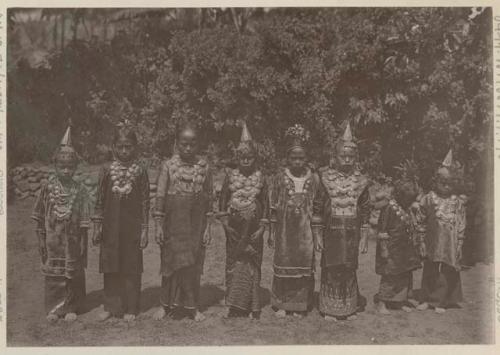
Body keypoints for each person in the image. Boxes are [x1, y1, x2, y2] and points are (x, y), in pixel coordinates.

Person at [153, 124, 213, 322]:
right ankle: (165, 304)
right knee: (170, 263)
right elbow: (160, 195)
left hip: (196, 223)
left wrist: (208, 228)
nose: (188, 148)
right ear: (177, 144)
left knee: (192, 263)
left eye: (192, 144)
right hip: (173, 221)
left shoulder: (204, 166)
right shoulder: (168, 166)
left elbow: (209, 198)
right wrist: (158, 225)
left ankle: (192, 307)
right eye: (184, 144)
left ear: (198, 144)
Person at [92, 125, 150, 322]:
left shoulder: (140, 170)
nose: (124, 151)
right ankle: (110, 306)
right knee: (110, 265)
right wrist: (97, 225)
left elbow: (145, 201)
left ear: (135, 147)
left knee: (131, 266)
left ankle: (131, 307)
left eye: (129, 147)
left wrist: (144, 229)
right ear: (113, 147)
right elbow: (99, 199)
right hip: (110, 228)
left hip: (132, 229)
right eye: (120, 147)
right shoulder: (106, 170)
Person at [32, 126, 90, 323]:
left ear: (75, 167)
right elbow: (39, 216)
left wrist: (83, 241)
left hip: (73, 240)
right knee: (54, 274)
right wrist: (41, 239)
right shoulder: (47, 188)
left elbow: (84, 219)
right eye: (62, 166)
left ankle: (73, 306)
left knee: (72, 274)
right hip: (52, 241)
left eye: (70, 166)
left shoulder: (80, 190)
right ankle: (54, 308)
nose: (66, 170)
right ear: (55, 165)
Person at [268, 124, 325, 318]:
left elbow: (318, 206)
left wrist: (317, 235)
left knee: (303, 266)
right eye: (294, 158)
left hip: (305, 232)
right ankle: (282, 304)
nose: (298, 161)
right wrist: (272, 232)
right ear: (287, 158)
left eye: (301, 158)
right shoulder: (279, 177)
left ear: (306, 158)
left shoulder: (315, 179)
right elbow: (273, 206)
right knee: (285, 264)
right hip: (285, 232)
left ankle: (300, 305)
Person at [318, 122, 370, 321]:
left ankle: (348, 308)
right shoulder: (324, 178)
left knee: (348, 266)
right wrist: (317, 235)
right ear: (335, 157)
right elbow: (317, 208)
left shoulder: (362, 181)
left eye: (351, 157)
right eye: (343, 156)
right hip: (331, 232)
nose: (347, 160)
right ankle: (329, 308)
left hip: (351, 234)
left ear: (356, 158)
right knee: (331, 267)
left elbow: (365, 210)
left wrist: (364, 237)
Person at [218, 122, 268, 320]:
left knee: (252, 264)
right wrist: (225, 226)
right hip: (234, 231)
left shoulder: (261, 178)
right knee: (235, 263)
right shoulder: (230, 177)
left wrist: (262, 229)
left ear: (255, 158)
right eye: (242, 157)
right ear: (237, 158)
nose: (246, 161)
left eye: (250, 157)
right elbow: (222, 204)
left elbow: (266, 203)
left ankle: (252, 306)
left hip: (254, 232)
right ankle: (234, 305)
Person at [415, 150, 466, 314]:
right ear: (435, 181)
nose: (446, 186)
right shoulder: (429, 199)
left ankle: (440, 301)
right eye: (442, 182)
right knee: (430, 268)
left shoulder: (457, 202)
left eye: (449, 183)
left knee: (447, 270)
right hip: (432, 241)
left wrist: (459, 243)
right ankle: (425, 299)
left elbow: (461, 223)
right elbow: (421, 219)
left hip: (450, 244)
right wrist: (421, 240)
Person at [374, 161, 423, 315]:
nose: (410, 202)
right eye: (408, 199)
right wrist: (383, 249)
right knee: (390, 275)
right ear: (400, 195)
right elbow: (382, 230)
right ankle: (382, 303)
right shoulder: (389, 207)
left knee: (404, 274)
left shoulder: (406, 207)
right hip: (391, 248)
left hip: (404, 249)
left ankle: (399, 301)